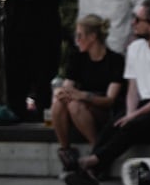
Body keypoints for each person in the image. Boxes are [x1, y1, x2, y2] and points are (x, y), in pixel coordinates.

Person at [64, 1, 150, 185]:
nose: (133, 23)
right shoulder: (135, 48)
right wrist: (130, 112)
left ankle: (92, 162)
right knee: (115, 123)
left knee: (134, 125)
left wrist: (135, 115)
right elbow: (132, 88)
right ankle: (92, 170)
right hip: (141, 103)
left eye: (137, 20)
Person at [51, 15, 125, 173]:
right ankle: (66, 152)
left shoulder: (115, 60)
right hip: (82, 108)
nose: (77, 40)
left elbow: (110, 100)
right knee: (60, 103)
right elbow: (67, 88)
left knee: (75, 105)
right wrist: (62, 92)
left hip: (104, 111)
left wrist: (83, 96)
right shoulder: (78, 58)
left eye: (80, 35)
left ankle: (97, 153)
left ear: (92, 37)